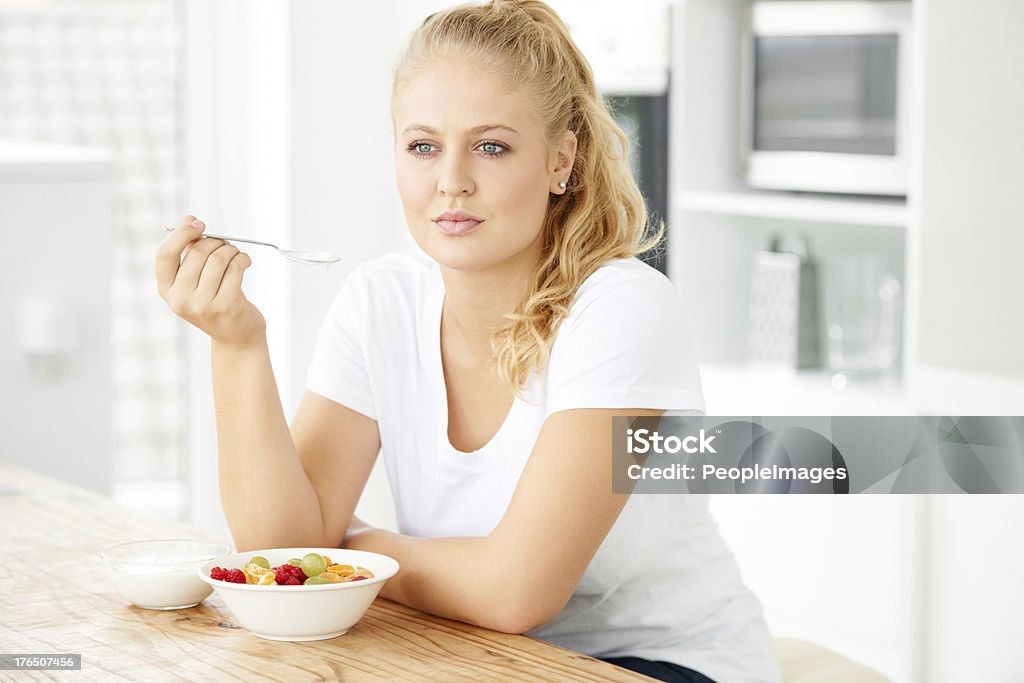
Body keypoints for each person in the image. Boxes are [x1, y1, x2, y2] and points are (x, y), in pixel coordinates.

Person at [155, 2, 781, 681]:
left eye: (491, 146)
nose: (451, 178)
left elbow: (515, 592)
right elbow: (283, 550)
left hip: (656, 661)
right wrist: (236, 345)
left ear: (560, 160)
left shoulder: (622, 312)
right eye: (423, 146)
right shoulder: (380, 303)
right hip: (477, 654)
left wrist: (353, 551)